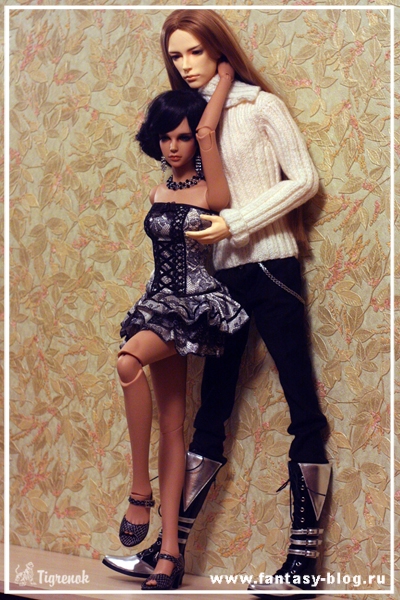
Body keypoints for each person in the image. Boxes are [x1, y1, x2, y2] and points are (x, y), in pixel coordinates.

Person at [103, 10, 331, 598]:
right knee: (211, 414)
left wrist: (236, 221)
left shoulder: (259, 107)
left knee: (302, 406)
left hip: (271, 267)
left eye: (195, 52)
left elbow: (303, 180)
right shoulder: (188, 119)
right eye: (175, 55)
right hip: (217, 283)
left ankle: (303, 564)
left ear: (219, 50)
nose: (184, 64)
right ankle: (167, 553)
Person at [114, 63, 248, 591]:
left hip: (195, 305)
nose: (174, 147)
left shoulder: (212, 192)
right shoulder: (159, 191)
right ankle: (169, 554)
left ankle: (139, 492)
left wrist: (224, 76)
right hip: (159, 302)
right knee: (172, 429)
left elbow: (209, 131)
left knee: (128, 360)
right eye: (166, 137)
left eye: (183, 137)